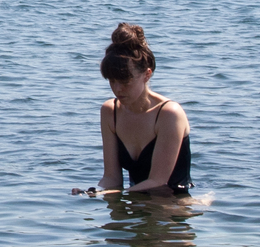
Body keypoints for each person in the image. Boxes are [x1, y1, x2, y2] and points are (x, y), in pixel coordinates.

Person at [74, 21, 192, 196]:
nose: (118, 89)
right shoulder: (110, 112)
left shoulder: (169, 114)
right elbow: (112, 178)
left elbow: (158, 182)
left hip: (172, 202)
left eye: (125, 81)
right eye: (112, 81)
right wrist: (92, 192)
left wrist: (109, 195)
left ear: (147, 74)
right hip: (134, 197)